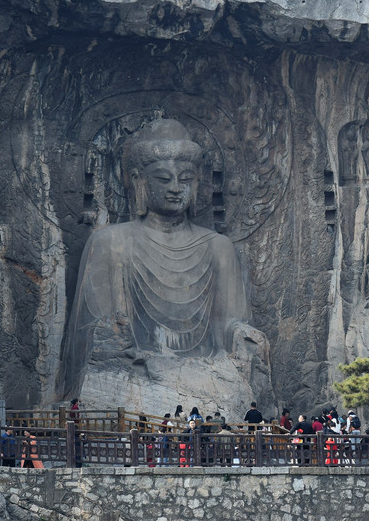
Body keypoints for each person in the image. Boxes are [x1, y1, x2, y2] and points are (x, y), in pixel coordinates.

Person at [61, 119, 268, 409]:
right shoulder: (110, 243)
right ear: (138, 180)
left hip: (208, 374)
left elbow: (231, 324)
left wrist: (244, 336)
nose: (175, 188)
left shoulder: (217, 247)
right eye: (163, 178)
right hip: (134, 375)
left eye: (185, 179)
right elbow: (97, 335)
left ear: (196, 183)